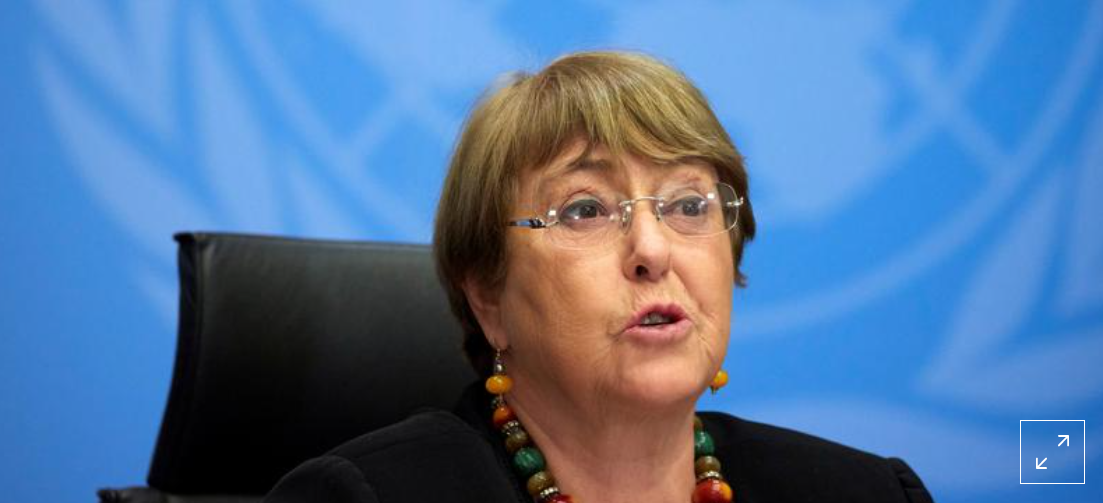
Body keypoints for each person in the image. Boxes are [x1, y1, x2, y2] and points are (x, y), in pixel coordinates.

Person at [264, 51, 934, 503]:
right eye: (584, 210)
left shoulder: (866, 492)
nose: (652, 250)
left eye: (688, 205)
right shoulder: (361, 496)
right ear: (487, 295)